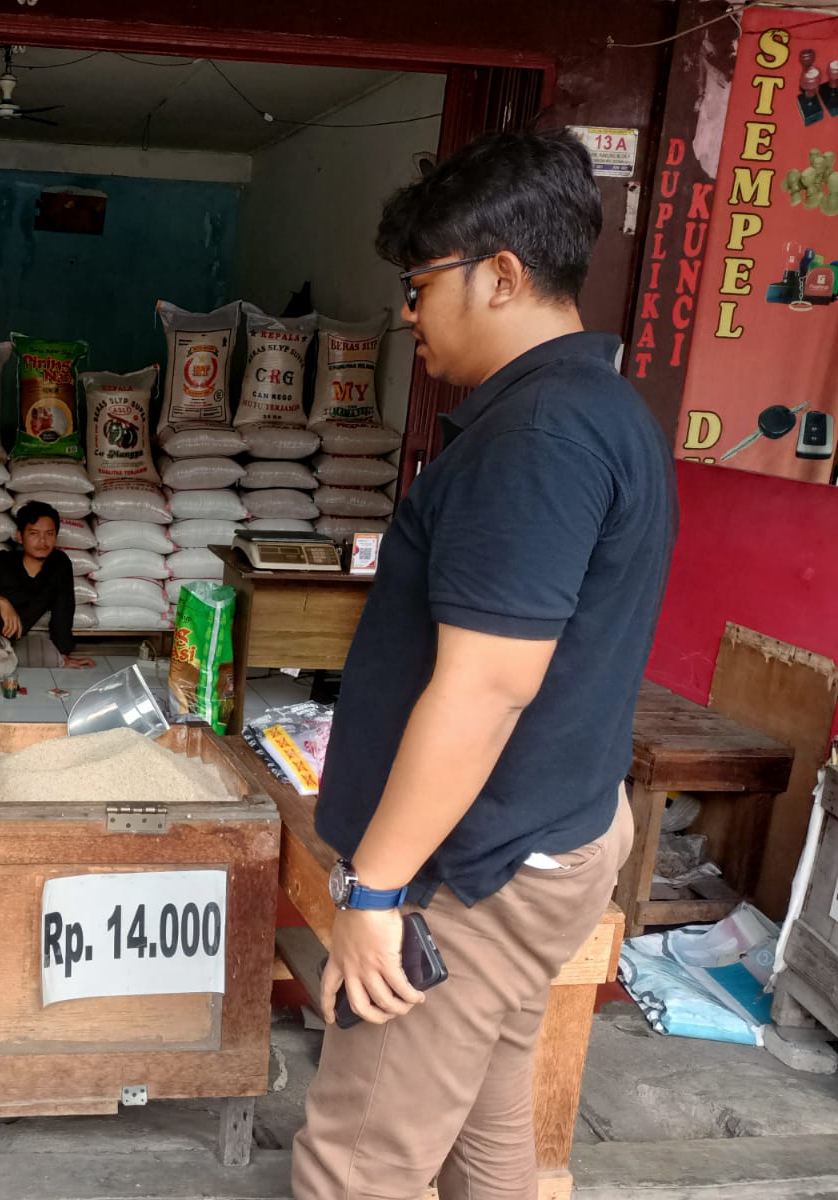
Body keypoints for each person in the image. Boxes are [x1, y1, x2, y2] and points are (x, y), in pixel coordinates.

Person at [291, 129, 677, 1199]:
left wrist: (375, 893)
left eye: (420, 286)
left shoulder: (536, 439)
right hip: (553, 830)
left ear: (500, 274)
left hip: (476, 867)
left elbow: (487, 686)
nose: (408, 315)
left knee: (358, 1163)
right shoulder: (602, 407)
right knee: (485, 1119)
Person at [0, 501, 96, 669]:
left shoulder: (59, 565)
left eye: (49, 534)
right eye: (34, 533)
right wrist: (2, 603)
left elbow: (63, 609)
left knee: (8, 663)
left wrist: (63, 655)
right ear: (20, 536)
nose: (42, 540)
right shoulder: (1, 561)